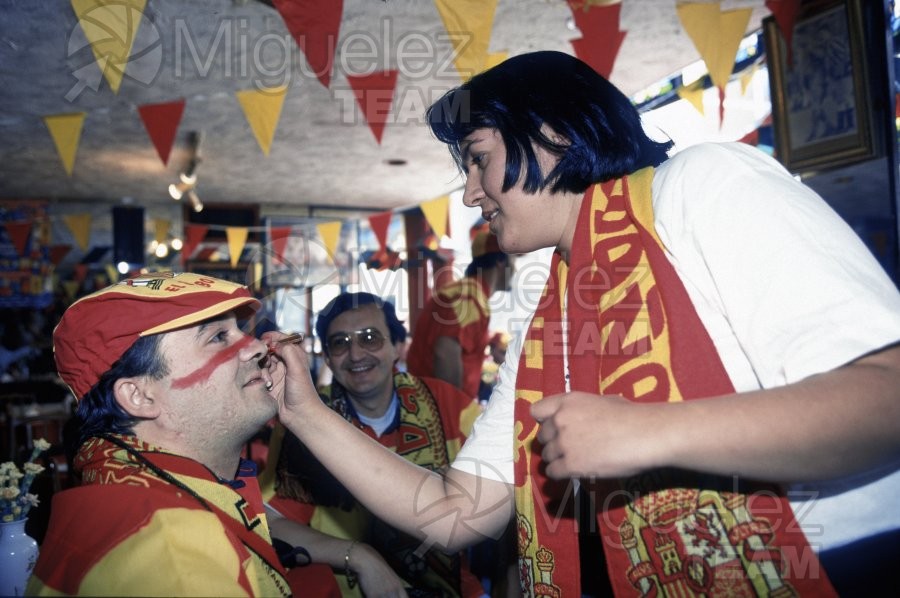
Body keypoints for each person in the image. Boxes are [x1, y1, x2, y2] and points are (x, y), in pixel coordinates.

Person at [267, 51, 900, 597]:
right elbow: (452, 514)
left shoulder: (700, 183)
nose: (469, 193)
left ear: (553, 137)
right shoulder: (553, 313)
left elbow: (886, 393)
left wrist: (651, 432)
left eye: (478, 159)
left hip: (845, 563)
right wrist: (304, 413)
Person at [26, 272, 292, 596]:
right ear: (141, 397)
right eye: (218, 337)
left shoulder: (124, 489)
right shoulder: (173, 548)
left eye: (240, 330)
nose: (256, 346)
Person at [263, 292, 484, 597]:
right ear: (327, 357)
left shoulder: (450, 407)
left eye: (369, 338)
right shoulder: (301, 419)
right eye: (340, 343)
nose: (355, 355)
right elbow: (268, 522)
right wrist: (357, 555)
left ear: (397, 347)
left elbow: (503, 507)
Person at [406, 229, 512, 398]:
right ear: (501, 261)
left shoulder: (465, 292)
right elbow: (445, 350)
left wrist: (488, 341)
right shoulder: (470, 298)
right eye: (513, 260)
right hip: (435, 412)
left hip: (424, 403)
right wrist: (454, 411)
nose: (515, 268)